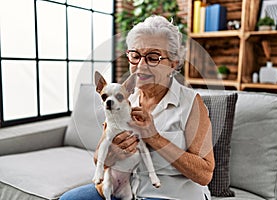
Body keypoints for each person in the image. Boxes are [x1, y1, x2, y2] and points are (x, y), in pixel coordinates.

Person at [60, 15, 214, 200]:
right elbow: (98, 158)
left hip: (171, 196)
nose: (141, 65)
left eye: (153, 57)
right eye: (135, 56)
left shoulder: (191, 103)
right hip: (123, 191)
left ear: (173, 63)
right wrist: (113, 154)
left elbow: (205, 174)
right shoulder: (122, 98)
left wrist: (155, 138)